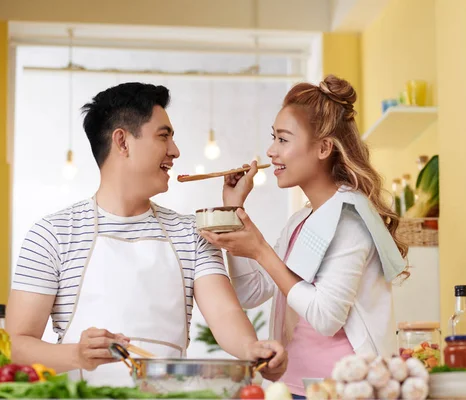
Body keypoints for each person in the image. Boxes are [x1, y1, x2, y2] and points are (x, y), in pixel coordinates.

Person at [6, 82, 287, 387]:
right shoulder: (52, 235)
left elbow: (225, 312)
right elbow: (18, 345)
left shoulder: (189, 234)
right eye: (163, 136)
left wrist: (251, 348)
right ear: (122, 142)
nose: (175, 151)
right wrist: (77, 355)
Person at [200, 74, 409, 399]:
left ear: (324, 147)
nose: (271, 151)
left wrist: (261, 252)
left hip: (341, 390)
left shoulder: (350, 220)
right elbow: (251, 291)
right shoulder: (302, 220)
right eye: (274, 138)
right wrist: (234, 211)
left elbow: (326, 318)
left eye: (283, 139)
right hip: (294, 387)